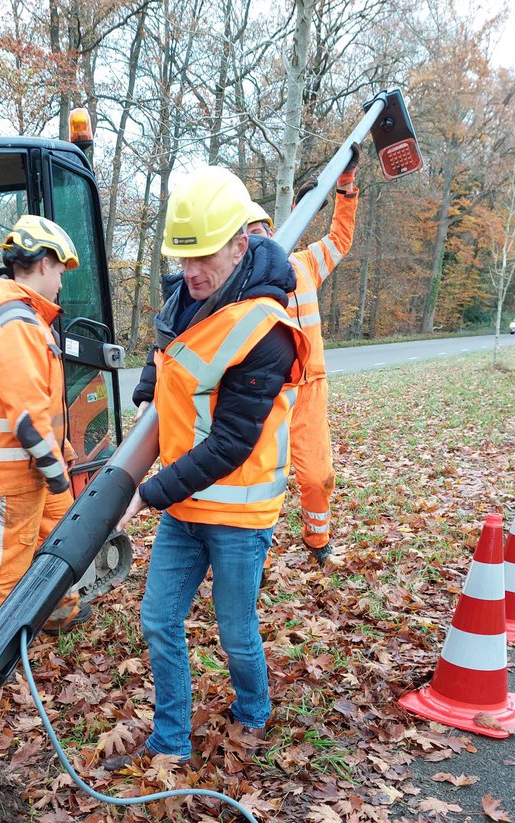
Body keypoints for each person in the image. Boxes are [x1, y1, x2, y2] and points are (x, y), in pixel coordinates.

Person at [107, 166, 309, 768]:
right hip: (184, 503)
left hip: (238, 512)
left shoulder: (267, 333)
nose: (192, 272)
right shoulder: (185, 292)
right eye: (183, 258)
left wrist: (145, 495)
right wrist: (148, 391)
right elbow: (167, 348)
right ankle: (171, 739)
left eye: (205, 259)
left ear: (240, 246)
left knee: (236, 633)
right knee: (158, 622)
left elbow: (229, 444)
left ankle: (253, 712)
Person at [0, 214, 87, 644]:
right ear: (41, 264)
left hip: (34, 468)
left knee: (61, 539)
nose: (60, 283)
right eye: (59, 272)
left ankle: (55, 610)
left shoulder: (28, 321)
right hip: (14, 474)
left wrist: (62, 452)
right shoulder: (17, 325)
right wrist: (56, 471)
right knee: (3, 567)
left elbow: (42, 403)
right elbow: (26, 414)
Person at [246, 146, 359, 564]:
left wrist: (344, 186)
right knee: (262, 480)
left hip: (310, 391)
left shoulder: (305, 263)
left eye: (263, 231)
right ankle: (251, 547)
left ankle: (318, 542)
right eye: (248, 234)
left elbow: (341, 240)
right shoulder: (242, 284)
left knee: (316, 476)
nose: (257, 239)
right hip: (267, 395)